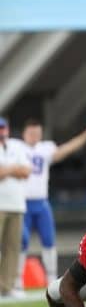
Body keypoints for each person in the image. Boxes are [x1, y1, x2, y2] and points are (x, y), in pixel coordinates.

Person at [16, 117, 86, 292]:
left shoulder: (44, 148)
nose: (34, 137)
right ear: (24, 134)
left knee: (49, 240)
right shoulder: (16, 148)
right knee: (21, 241)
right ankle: (17, 281)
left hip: (41, 202)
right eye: (31, 133)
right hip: (22, 203)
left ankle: (51, 279)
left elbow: (67, 149)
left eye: (37, 133)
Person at [0, 117, 31, 297]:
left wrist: (7, 170)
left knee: (12, 247)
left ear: (8, 129)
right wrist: (14, 169)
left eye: (3, 128)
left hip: (17, 205)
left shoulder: (17, 146)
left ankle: (7, 286)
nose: (2, 132)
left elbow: (26, 171)